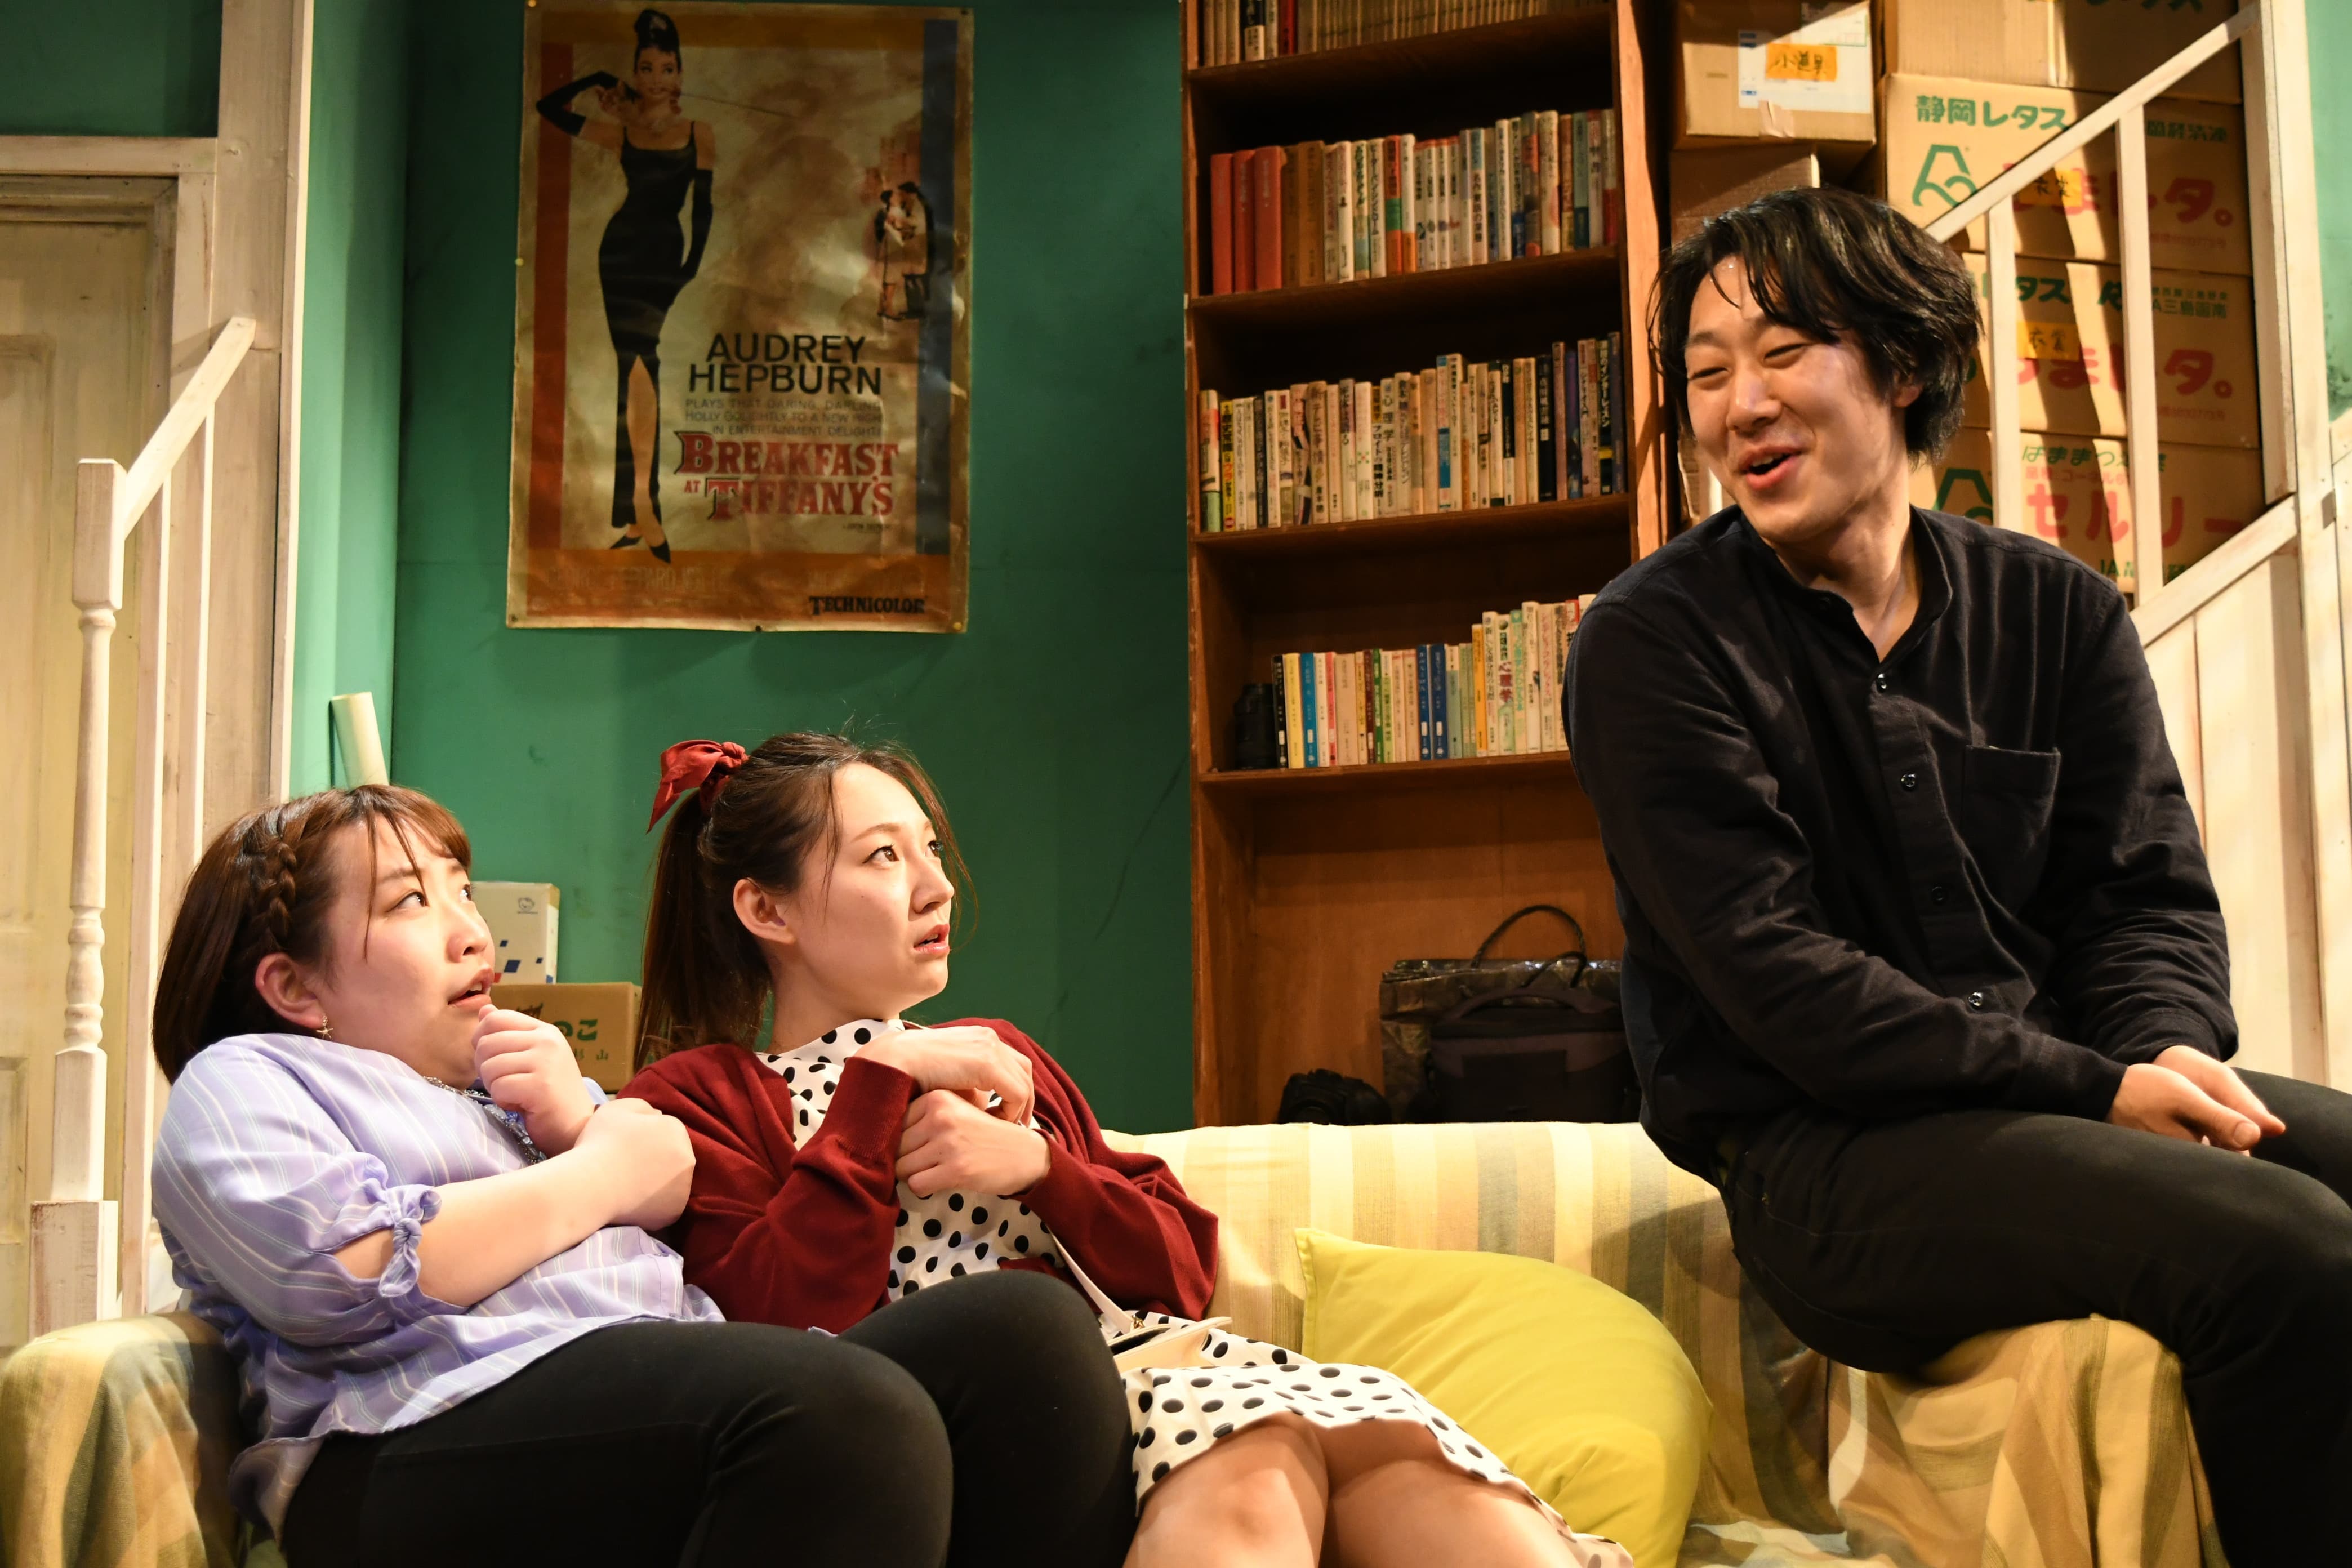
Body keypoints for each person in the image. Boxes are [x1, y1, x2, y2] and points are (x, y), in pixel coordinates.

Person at [1562, 185, 2352, 1567]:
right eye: (1706, 372)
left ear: (1904, 366)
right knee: (2293, 1250)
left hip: (2056, 1098)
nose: (1740, 404)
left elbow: (2139, 896)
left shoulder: (2058, 609)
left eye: (1782, 351)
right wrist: (2096, 1090)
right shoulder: (1653, 642)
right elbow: (1778, 980)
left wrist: (2160, 1045)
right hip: (1829, 1163)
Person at [618, 733, 1630, 1568]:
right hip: (1011, 1444)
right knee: (1255, 1457)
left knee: (1408, 1469)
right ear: (768, 908)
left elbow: (1184, 1273)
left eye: (930, 849)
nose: (936, 887)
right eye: (883, 857)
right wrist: (879, 1083)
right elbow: (783, 1330)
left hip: (1165, 1365)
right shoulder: (700, 1096)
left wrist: (1041, 1170)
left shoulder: (996, 1052)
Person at [149, 783, 1139, 1568]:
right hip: (407, 1433)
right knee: (845, 1410)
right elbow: (340, 1272)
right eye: (411, 901)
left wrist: (580, 1125)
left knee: (1025, 1338)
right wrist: (598, 1172)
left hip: (635, 1386)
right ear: (295, 985)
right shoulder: (246, 1076)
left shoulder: (504, 1089)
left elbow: (667, 1170)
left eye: (461, 890)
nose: (471, 931)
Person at [534, 7, 715, 562]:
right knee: (633, 368)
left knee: (642, 367)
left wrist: (691, 267)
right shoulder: (623, 133)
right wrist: (594, 79)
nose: (656, 78)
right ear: (635, 74)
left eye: (667, 69)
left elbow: (703, 208)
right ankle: (642, 510)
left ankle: (641, 508)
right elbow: (548, 109)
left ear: (680, 76)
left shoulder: (698, 132)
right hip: (620, 253)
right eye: (646, 69)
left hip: (663, 255)